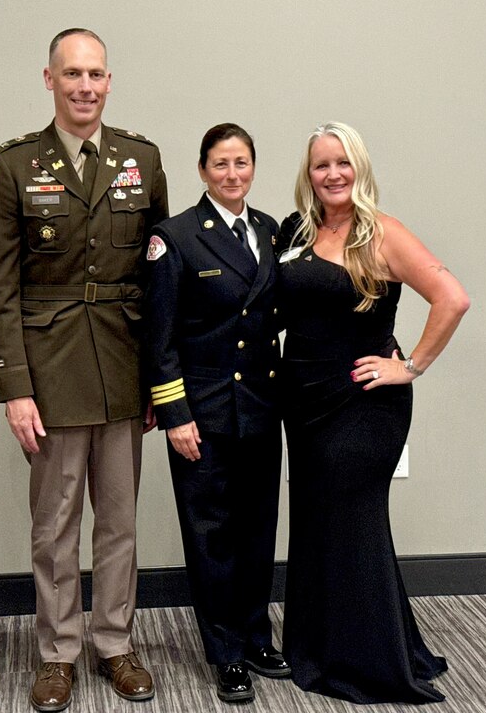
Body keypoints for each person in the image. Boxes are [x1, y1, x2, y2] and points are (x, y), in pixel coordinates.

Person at [0, 28, 168, 712]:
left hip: (122, 364)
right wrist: (15, 389)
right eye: (72, 74)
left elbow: (160, 281)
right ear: (49, 80)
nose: (85, 86)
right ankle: (57, 653)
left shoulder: (141, 160)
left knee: (119, 521)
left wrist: (159, 381)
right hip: (50, 370)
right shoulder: (15, 166)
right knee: (55, 525)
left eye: (96, 74)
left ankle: (114, 643)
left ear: (109, 81)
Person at [279, 121, 470, 704]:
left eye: (343, 163)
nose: (332, 174)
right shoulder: (296, 230)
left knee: (353, 520)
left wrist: (408, 365)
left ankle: (367, 661)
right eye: (321, 165)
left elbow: (452, 297)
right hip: (303, 400)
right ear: (307, 174)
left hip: (363, 405)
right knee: (316, 519)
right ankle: (318, 645)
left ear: (359, 169)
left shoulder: (382, 234)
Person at [142, 123, 288, 703]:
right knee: (211, 537)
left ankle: (255, 635)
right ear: (202, 170)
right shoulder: (174, 238)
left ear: (253, 168)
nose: (233, 175)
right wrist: (175, 415)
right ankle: (225, 652)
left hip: (259, 407)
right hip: (202, 412)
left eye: (243, 163)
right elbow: (159, 339)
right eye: (221, 164)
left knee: (257, 530)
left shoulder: (271, 232)